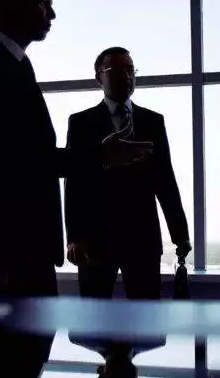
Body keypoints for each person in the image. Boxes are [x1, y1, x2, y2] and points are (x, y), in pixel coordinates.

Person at [0, 0, 152, 297]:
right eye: (44, 3)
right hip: (6, 254)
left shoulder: (16, 65)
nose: (51, 13)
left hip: (26, 249)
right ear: (15, 4)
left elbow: (24, 159)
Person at [64, 47, 191, 302]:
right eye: (117, 70)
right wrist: (74, 237)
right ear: (98, 77)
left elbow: (165, 179)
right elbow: (73, 182)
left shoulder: (153, 121)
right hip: (94, 240)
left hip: (142, 237)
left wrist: (180, 234)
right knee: (94, 323)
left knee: (146, 323)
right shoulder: (81, 122)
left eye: (130, 70)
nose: (127, 76)